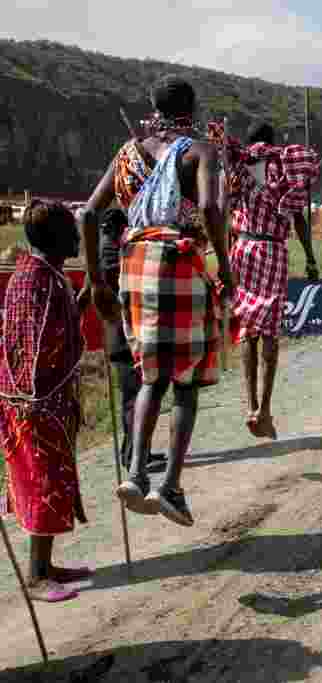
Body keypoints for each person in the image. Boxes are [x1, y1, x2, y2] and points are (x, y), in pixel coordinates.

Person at [79, 75, 234, 527]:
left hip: (135, 267)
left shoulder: (129, 153)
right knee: (185, 381)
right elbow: (209, 209)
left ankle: (133, 474)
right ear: (193, 106)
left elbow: (88, 212)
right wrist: (224, 264)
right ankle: (169, 486)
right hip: (181, 262)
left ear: (154, 107)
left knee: (151, 375)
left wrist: (96, 280)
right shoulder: (200, 151)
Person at [0, 201, 93, 602]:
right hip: (35, 404)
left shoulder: (38, 275)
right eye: (72, 232)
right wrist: (40, 400)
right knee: (43, 483)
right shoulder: (39, 281)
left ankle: (47, 566)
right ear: (56, 239)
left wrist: (84, 299)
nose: (78, 238)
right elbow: (37, 346)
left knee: (50, 480)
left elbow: (54, 329)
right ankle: (36, 578)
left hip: (40, 400)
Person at [218, 120, 319, 439]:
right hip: (273, 250)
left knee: (248, 328)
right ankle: (265, 408)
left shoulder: (237, 167)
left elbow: (223, 212)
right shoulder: (282, 166)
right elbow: (298, 218)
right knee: (271, 331)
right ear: (272, 142)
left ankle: (250, 404)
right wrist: (311, 257)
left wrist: (224, 256)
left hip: (243, 247)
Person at [80, 208, 167, 471]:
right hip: (122, 337)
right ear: (120, 228)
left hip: (119, 336)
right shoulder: (110, 252)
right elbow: (116, 281)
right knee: (134, 399)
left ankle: (138, 452)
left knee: (136, 397)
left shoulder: (101, 253)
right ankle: (134, 457)